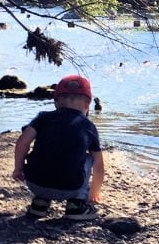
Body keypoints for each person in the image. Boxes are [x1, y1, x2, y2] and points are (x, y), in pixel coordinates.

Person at [11, 74, 105, 220]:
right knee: (88, 158)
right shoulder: (88, 126)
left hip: (35, 182)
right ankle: (76, 205)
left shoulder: (42, 117)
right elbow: (99, 164)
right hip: (70, 188)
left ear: (56, 102)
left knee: (46, 151)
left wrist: (18, 167)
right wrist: (94, 192)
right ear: (87, 106)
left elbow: (22, 142)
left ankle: (40, 203)